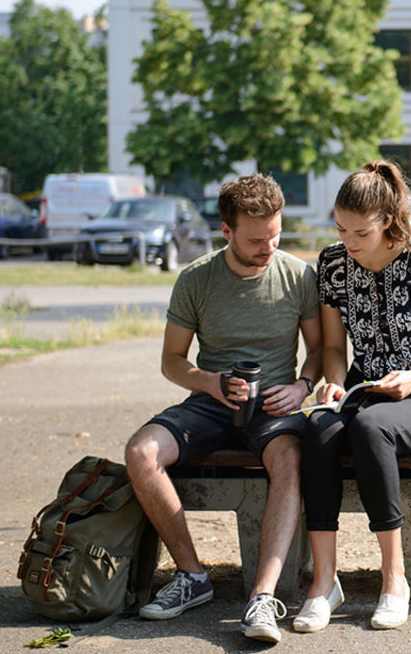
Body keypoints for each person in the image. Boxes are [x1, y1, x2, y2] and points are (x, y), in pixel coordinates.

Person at [124, 174, 322, 644]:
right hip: (210, 403)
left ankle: (262, 597)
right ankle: (192, 577)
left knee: (292, 459)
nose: (268, 246)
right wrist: (209, 382)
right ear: (227, 231)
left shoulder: (298, 276)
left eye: (275, 234)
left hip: (276, 405)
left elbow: (319, 352)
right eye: (256, 239)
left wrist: (301, 387)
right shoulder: (196, 279)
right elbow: (172, 362)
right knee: (140, 453)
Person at [293, 159, 411, 633]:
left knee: (372, 428)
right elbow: (333, 347)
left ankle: (394, 580)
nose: (348, 242)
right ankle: (324, 583)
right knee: (319, 428)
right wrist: (331, 380)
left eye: (359, 233)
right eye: (340, 229)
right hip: (361, 387)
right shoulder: (332, 263)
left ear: (388, 221)